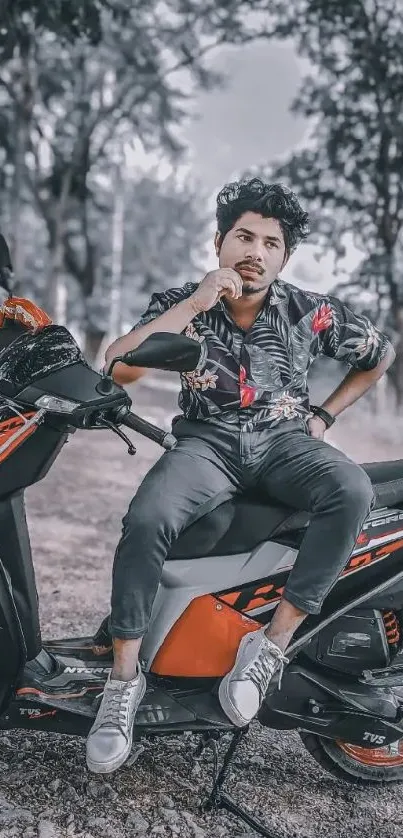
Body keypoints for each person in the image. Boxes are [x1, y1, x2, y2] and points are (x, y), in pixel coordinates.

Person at [86, 178, 395, 774]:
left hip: (284, 443)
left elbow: (379, 352)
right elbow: (119, 366)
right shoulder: (184, 302)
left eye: (270, 243)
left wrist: (325, 414)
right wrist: (196, 304)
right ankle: (123, 683)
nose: (255, 250)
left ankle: (270, 646)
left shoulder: (309, 310)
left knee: (351, 489)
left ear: (284, 257)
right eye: (243, 236)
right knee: (148, 518)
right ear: (219, 242)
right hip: (208, 444)